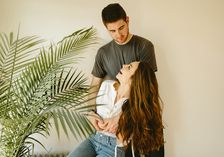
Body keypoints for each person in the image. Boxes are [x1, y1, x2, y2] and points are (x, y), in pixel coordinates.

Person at [67, 61, 164, 157]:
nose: (124, 65)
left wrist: (122, 119)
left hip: (113, 148)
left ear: (135, 79)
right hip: (96, 138)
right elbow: (96, 111)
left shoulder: (135, 107)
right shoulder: (106, 86)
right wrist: (92, 115)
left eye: (129, 67)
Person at [88, 3, 157, 132]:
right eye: (112, 31)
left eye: (121, 28)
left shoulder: (144, 46)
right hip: (106, 127)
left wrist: (120, 117)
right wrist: (90, 112)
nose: (119, 35)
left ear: (127, 20)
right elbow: (93, 87)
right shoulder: (103, 53)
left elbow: (147, 90)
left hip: (135, 125)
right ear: (106, 28)